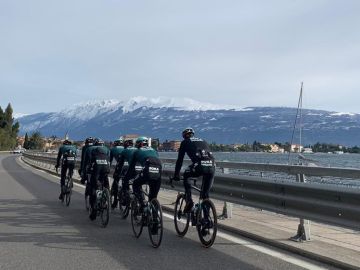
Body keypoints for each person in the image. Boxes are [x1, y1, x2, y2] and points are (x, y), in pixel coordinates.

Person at [172, 127, 215, 212]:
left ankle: (189, 200)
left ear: (184, 136)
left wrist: (176, 174)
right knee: (205, 194)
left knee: (186, 174)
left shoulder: (185, 142)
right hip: (212, 165)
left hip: (200, 165)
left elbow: (180, 160)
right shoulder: (203, 140)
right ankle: (206, 219)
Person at [123, 137, 162, 211]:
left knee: (135, 184)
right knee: (153, 197)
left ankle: (142, 204)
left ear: (138, 144)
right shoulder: (154, 150)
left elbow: (131, 168)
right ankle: (155, 218)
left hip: (148, 170)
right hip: (158, 171)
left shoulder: (137, 152)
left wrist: (126, 179)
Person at [87, 138, 111, 220]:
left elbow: (90, 167)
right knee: (104, 180)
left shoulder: (94, 156)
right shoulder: (106, 155)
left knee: (93, 187)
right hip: (106, 170)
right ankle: (107, 196)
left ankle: (94, 210)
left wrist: (88, 171)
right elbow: (109, 165)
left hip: (97, 171)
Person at [111, 138, 136, 209]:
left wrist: (115, 173)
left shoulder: (116, 149)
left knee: (116, 180)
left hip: (123, 166)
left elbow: (119, 163)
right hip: (135, 167)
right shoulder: (136, 149)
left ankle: (115, 201)